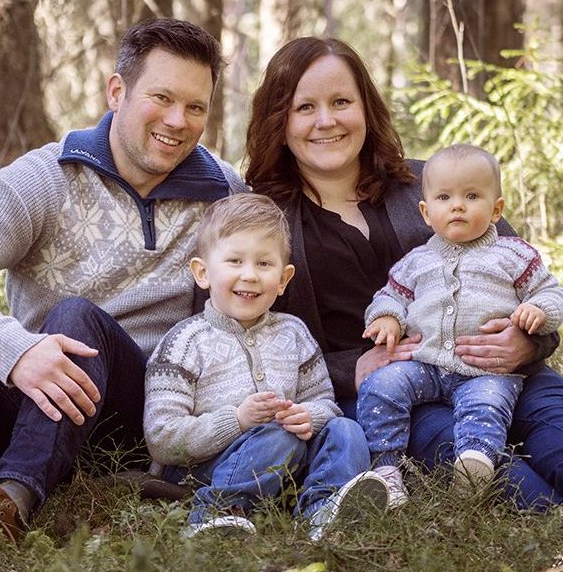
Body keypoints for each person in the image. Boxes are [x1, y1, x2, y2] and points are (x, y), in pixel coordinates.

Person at [244, 35, 563, 511]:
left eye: (341, 102)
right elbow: (244, 341)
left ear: (366, 109)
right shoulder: (265, 222)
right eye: (304, 107)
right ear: (279, 120)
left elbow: (527, 275)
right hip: (394, 398)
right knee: (512, 483)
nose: (326, 120)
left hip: (507, 374)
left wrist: (527, 343)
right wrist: (351, 369)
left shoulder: (434, 183)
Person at [0, 17, 247, 546]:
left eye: (196, 107)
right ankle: (10, 473)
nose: (177, 121)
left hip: (137, 414)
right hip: (36, 401)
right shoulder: (44, 178)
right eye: (162, 97)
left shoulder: (223, 192)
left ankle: (7, 504)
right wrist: (15, 352)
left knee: (76, 317)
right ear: (117, 90)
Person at [144, 193, 390, 541]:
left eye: (263, 264)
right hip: (201, 469)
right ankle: (218, 511)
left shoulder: (294, 333)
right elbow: (162, 438)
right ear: (202, 273)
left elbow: (325, 402)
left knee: (346, 429)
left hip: (286, 459)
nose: (250, 275)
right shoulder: (184, 342)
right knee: (277, 437)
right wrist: (238, 421)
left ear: (283, 279)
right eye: (234, 261)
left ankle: (324, 509)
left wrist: (309, 416)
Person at [357, 143, 563, 502]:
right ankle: (385, 467)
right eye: (444, 197)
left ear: (496, 209)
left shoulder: (513, 254)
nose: (457, 205)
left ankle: (475, 462)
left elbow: (549, 291)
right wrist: (387, 317)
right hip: (426, 366)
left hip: (488, 370)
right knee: (382, 385)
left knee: (485, 406)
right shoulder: (415, 261)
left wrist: (539, 313)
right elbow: (391, 295)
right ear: (425, 212)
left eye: (471, 196)